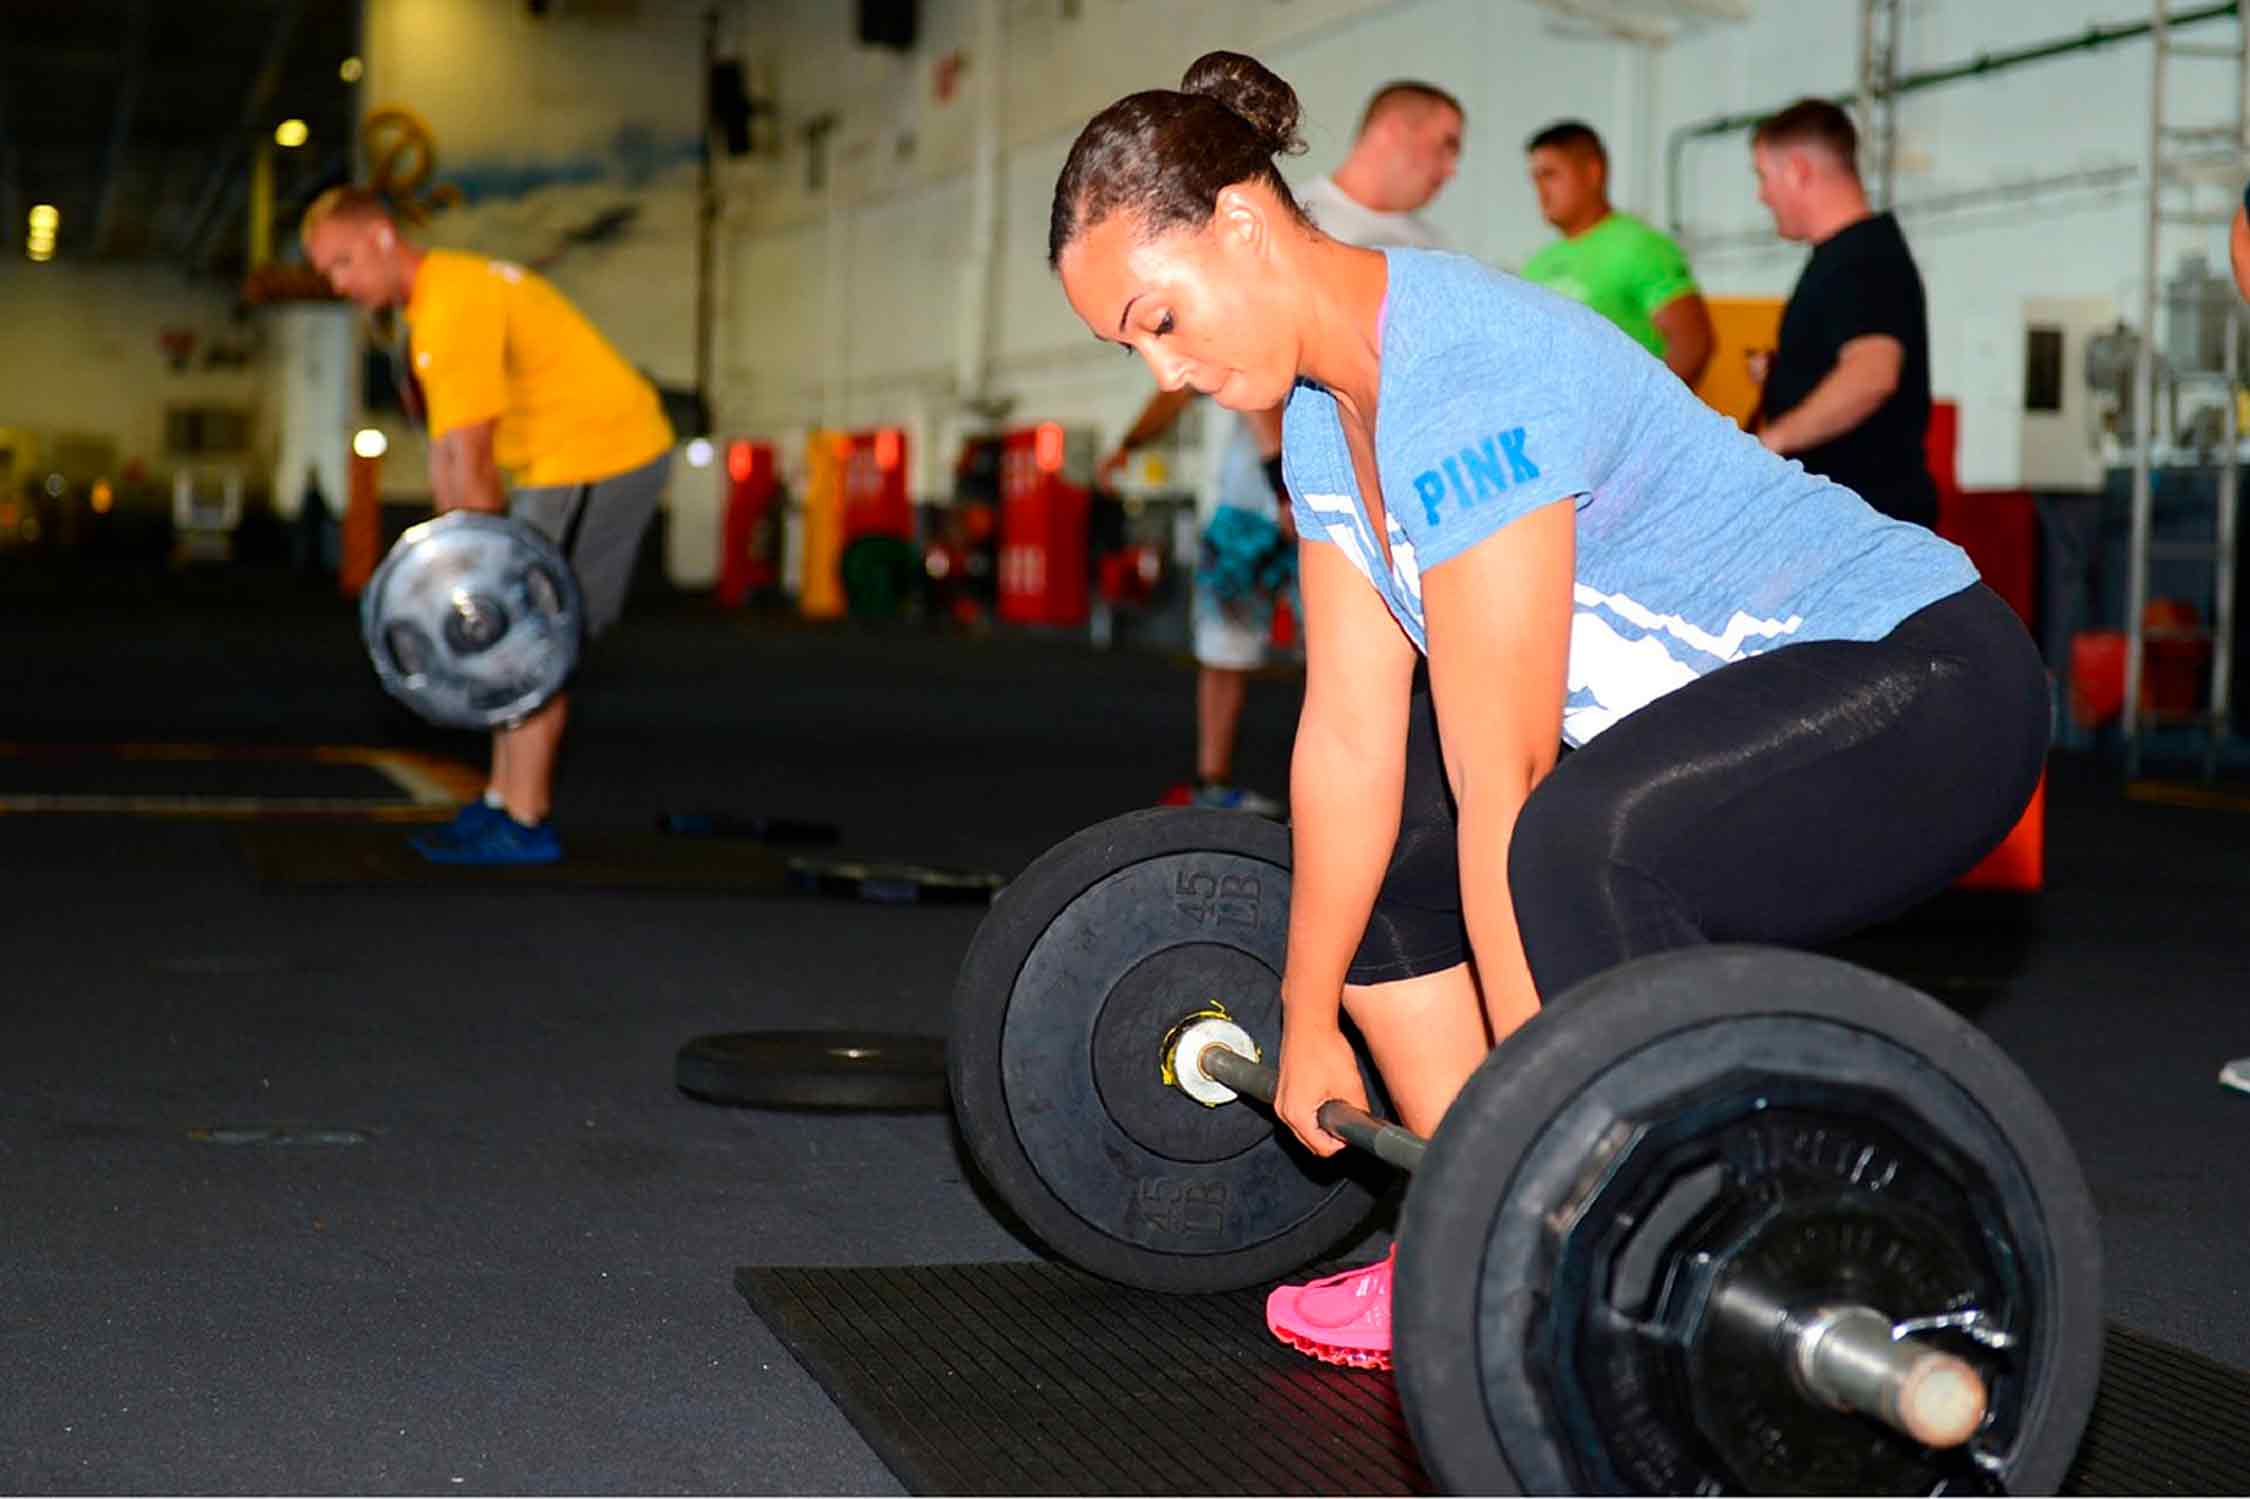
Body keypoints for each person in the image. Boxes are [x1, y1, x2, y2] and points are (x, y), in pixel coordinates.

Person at [1048, 53, 2048, 1369]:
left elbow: (1504, 772)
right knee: (1393, 890)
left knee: (1568, 847)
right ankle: (1477, 1237)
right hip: (1730, 722)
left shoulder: (1463, 368)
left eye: (1157, 317)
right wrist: (1302, 1016)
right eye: (1129, 346)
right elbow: (1348, 732)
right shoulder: (1311, 415)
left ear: (1240, 218)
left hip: (1923, 680)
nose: (1161, 371)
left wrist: (1544, 1128)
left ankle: (1645, 1240)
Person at [1096, 81, 1463, 816]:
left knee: (1349, 658)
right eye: (1444, 144)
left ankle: (1360, 808)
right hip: (1258, 489)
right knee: (1227, 639)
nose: (1453, 166)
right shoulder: (1298, 220)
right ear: (1392, 132)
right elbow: (1232, 363)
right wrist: (1279, 480)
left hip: (1374, 493)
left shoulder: (1430, 252)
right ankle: (1211, 782)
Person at [302, 186, 674, 865]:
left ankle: (524, 820)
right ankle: (502, 801)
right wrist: (453, 569)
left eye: (344, 262)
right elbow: (449, 455)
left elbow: (471, 461)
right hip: (559, 461)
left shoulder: (452, 305)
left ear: (384, 236)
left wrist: (470, 583)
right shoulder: (437, 304)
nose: (339, 283)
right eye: (329, 272)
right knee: (505, 628)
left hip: (603, 453)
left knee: (528, 632)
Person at [1747, 98, 1939, 527]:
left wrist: (1774, 441)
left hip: (1865, 524)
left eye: (1763, 176)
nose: (1761, 195)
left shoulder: (1864, 257)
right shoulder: (1844, 257)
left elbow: (1871, 374)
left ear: (1797, 169)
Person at [1519, 119, 1713, 387]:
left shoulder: (1641, 246)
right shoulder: (1536, 265)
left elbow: (1692, 343)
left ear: (1592, 172)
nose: (1540, 191)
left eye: (1551, 175)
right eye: (1535, 178)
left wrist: (1642, 418)